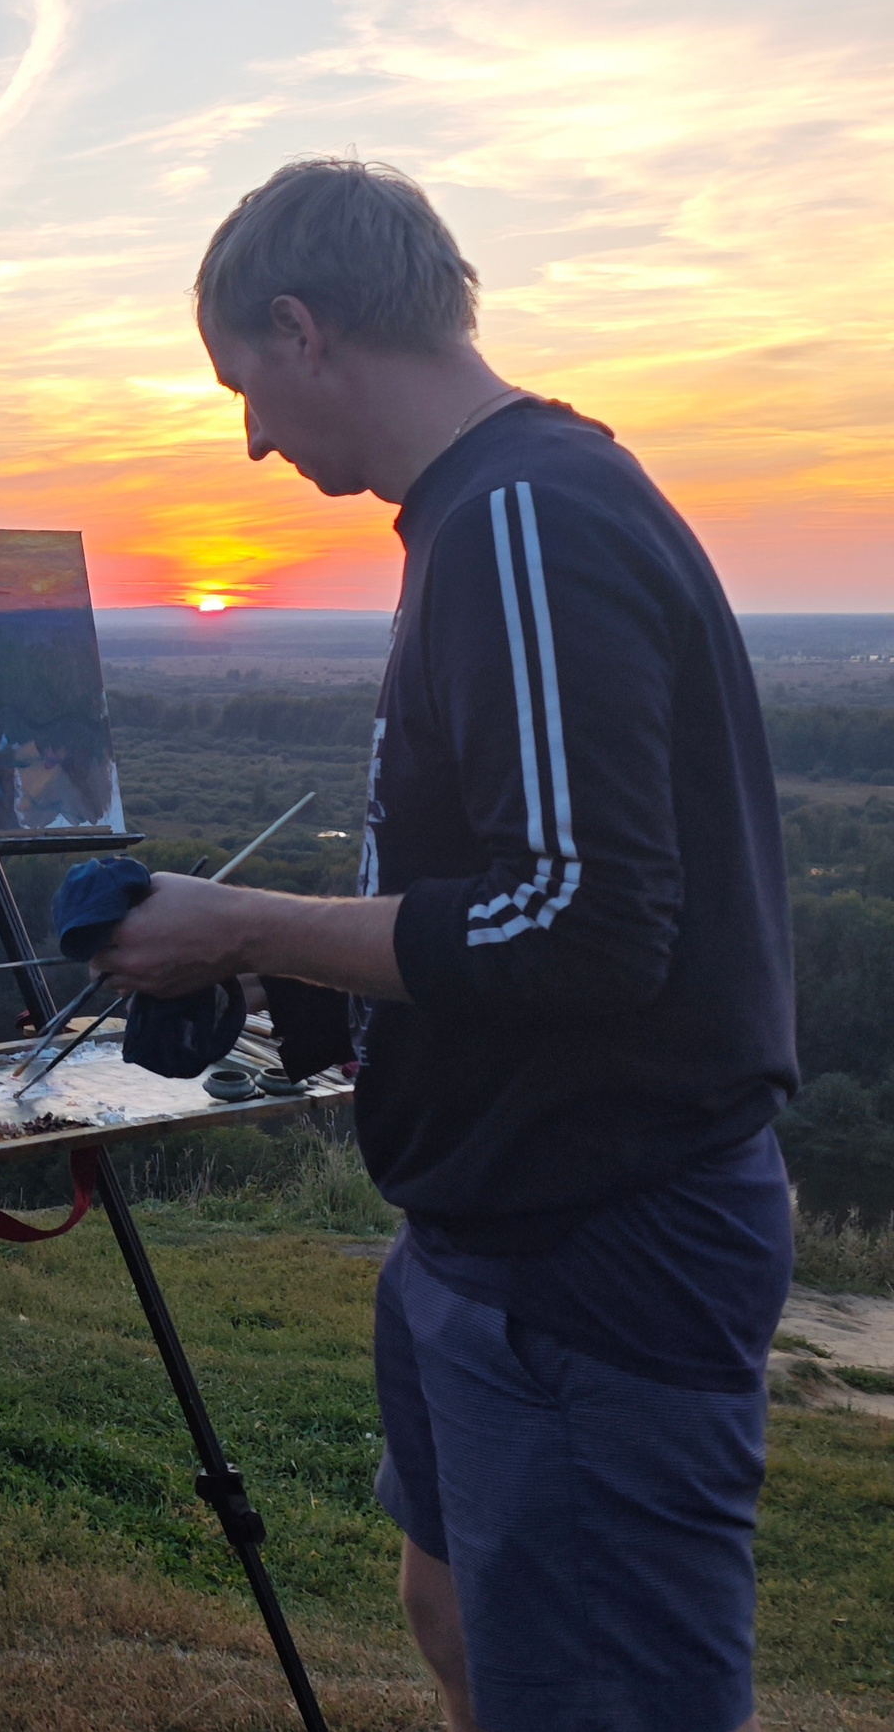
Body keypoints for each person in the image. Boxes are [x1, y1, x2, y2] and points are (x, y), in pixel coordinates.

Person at [91, 159, 796, 1732]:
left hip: (599, 1240)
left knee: (599, 1694)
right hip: (486, 1224)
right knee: (461, 1611)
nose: (253, 440)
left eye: (243, 387)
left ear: (304, 324)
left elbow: (587, 923)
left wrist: (243, 921)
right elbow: (501, 885)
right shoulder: (485, 515)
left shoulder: (527, 519)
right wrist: (288, 962)